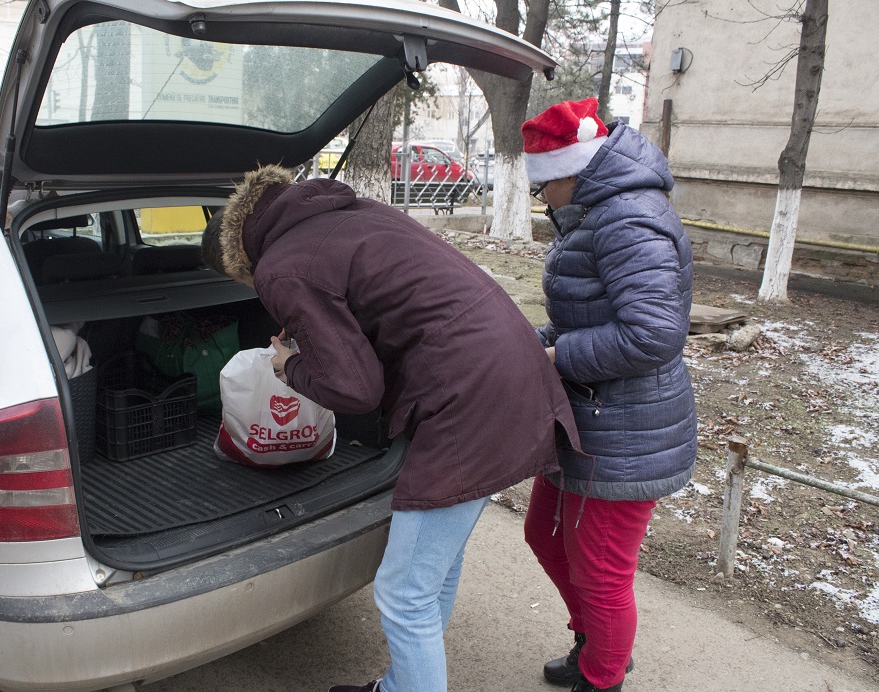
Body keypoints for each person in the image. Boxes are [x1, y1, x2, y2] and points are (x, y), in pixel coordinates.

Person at [201, 164, 582, 692]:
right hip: (513, 373)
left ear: (238, 259)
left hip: (468, 400)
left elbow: (356, 389)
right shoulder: (350, 213)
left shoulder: (280, 267)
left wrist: (289, 365)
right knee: (433, 573)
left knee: (405, 593)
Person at [520, 97, 698, 692]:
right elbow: (588, 316)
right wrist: (524, 342)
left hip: (625, 430)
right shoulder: (598, 213)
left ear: (572, 171)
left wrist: (554, 356)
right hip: (588, 416)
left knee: (600, 571)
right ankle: (596, 642)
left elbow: (651, 334)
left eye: (543, 186)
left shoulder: (626, 218)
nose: (542, 199)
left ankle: (602, 677)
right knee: (542, 532)